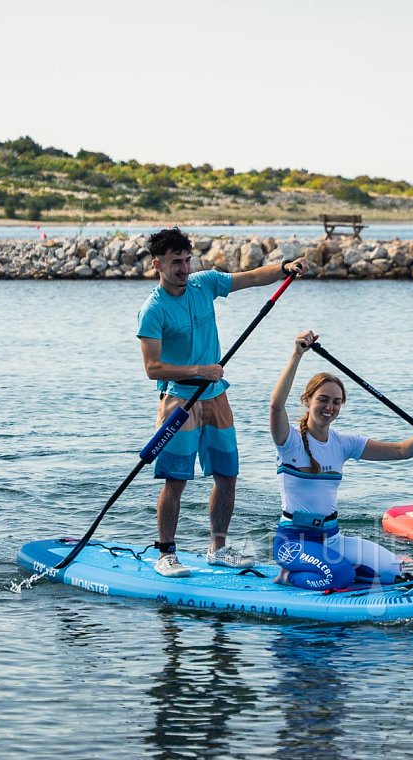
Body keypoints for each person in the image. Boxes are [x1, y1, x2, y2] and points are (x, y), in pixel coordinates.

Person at [137, 227, 307, 577]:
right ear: (158, 265)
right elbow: (153, 368)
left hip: (216, 396)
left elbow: (251, 278)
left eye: (187, 260)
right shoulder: (153, 310)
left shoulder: (205, 283)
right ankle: (166, 553)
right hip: (179, 400)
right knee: (176, 481)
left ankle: (218, 547)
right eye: (175, 263)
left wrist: (284, 267)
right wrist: (199, 369)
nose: (184, 269)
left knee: (227, 475)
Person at [269, 330, 413, 590]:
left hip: (332, 538)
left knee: (393, 570)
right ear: (307, 401)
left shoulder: (344, 443)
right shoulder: (288, 440)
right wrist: (296, 355)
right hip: (293, 542)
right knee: (340, 577)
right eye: (323, 400)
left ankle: (348, 572)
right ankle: (287, 576)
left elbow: (400, 451)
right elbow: (276, 406)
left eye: (336, 402)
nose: (329, 407)